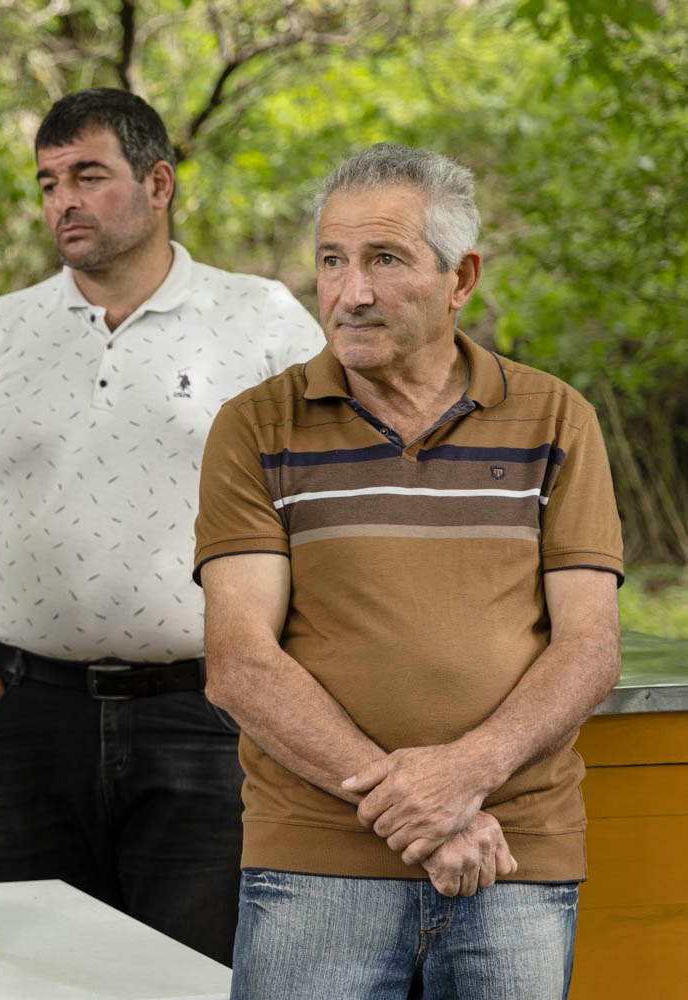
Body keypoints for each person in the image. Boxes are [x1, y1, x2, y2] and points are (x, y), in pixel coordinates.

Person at [0, 88, 322, 965]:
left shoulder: (261, 321)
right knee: (38, 975)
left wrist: (278, 686)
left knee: (189, 973)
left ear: (158, 183)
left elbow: (326, 519)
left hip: (207, 713)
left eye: (87, 176)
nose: (63, 200)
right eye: (47, 182)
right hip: (23, 716)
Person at [194, 142, 623, 998]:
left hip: (513, 854)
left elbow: (588, 648)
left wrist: (462, 777)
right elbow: (239, 664)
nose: (349, 293)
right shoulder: (257, 426)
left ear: (460, 278)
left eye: (384, 260)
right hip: (317, 862)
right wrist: (423, 814)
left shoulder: (555, 418)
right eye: (331, 260)